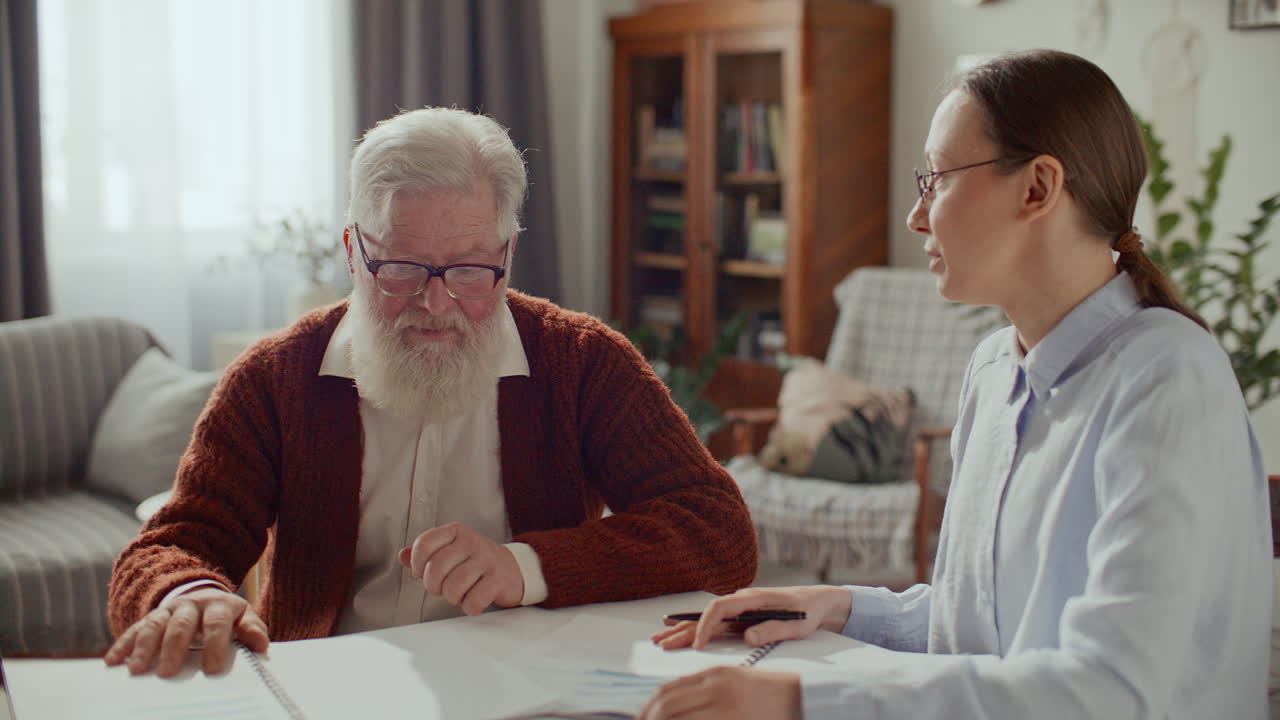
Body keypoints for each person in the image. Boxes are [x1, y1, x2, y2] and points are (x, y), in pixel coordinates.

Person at [639, 49, 1271, 720]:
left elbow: (1109, 688)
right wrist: (837, 606)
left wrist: (804, 702)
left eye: (936, 179)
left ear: (1037, 188)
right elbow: (987, 625)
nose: (917, 216)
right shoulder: (995, 370)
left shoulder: (1168, 378)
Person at [105, 107, 758, 678]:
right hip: (333, 690)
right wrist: (183, 594)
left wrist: (527, 566)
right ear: (353, 252)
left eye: (471, 270)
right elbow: (174, 542)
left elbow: (719, 531)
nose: (435, 303)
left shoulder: (584, 365)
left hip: (532, 685)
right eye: (401, 268)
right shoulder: (275, 379)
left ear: (508, 253)